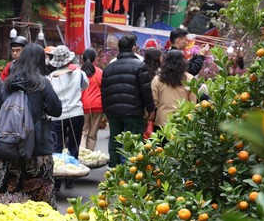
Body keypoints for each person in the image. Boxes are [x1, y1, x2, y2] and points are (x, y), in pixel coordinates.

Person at [0, 43, 61, 206]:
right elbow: (56, 110)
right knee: (41, 199)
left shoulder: (8, 83)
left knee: (10, 195)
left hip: (11, 145)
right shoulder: (42, 82)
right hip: (38, 147)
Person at [100, 34, 155, 167]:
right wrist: (150, 108)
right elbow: (146, 90)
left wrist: (106, 111)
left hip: (113, 112)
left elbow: (104, 92)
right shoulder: (140, 66)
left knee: (115, 140)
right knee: (134, 142)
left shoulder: (108, 68)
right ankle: (132, 171)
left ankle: (114, 170)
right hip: (134, 111)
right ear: (134, 48)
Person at [47, 45, 88, 158]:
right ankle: (73, 167)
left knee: (57, 146)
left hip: (57, 116)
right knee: (74, 145)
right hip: (76, 113)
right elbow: (84, 86)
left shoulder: (51, 77)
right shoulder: (79, 73)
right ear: (69, 59)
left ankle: (58, 170)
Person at [150, 49, 197, 130]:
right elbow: (192, 103)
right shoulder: (190, 79)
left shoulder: (158, 79)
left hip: (162, 121)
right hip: (182, 121)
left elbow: (154, 101)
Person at [79, 48, 105, 152]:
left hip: (83, 105)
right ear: (95, 59)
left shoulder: (78, 72)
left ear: (82, 58)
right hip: (98, 106)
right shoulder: (100, 72)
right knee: (92, 134)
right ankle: (90, 156)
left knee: (83, 132)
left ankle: (82, 157)